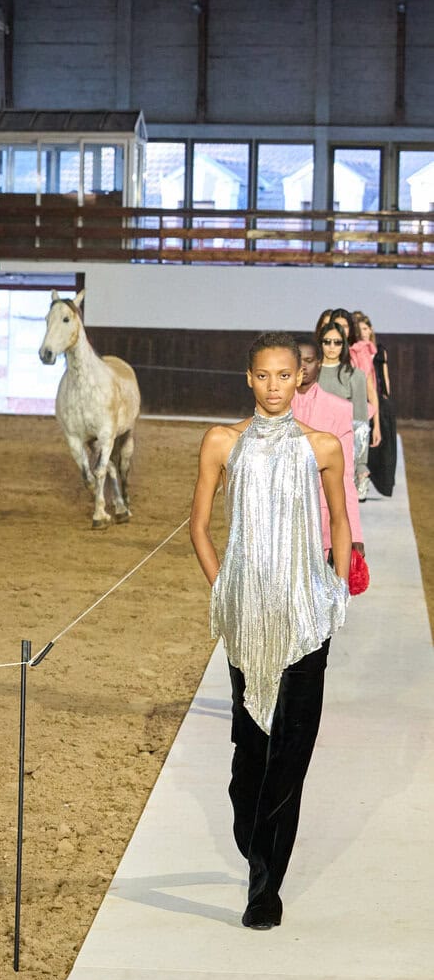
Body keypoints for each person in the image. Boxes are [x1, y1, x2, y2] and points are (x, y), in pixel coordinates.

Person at [189, 331, 351, 931]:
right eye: (264, 376)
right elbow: (200, 526)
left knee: (292, 752)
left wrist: (334, 589)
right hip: (246, 620)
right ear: (249, 378)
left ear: (300, 379)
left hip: (307, 621)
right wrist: (222, 589)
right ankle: (253, 835)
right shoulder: (221, 442)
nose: (275, 386)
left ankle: (266, 887)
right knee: (251, 757)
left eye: (285, 376)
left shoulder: (324, 446)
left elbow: (337, 516)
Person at [289, 333, 364, 565]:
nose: (303, 366)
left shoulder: (339, 409)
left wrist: (356, 533)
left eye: (309, 360)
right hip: (280, 516)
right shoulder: (273, 404)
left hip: (322, 516)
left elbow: (345, 474)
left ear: (319, 363)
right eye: (297, 360)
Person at [312, 313, 370, 504]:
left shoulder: (355, 376)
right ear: (320, 343)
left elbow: (361, 424)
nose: (331, 347)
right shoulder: (308, 375)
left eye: (337, 342)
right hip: (311, 453)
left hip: (342, 456)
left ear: (344, 344)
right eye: (327, 341)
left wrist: (361, 464)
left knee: (340, 514)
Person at [354, 312, 397, 497]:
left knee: (380, 441)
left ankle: (377, 478)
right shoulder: (355, 350)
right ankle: (362, 475)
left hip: (377, 397)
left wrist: (386, 395)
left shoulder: (378, 349)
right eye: (360, 329)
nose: (364, 332)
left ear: (371, 329)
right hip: (361, 399)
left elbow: (383, 376)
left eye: (366, 328)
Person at [345, 310, 382, 500]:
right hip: (342, 410)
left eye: (346, 327)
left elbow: (370, 390)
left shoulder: (360, 352)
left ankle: (360, 479)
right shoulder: (337, 352)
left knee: (357, 453)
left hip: (358, 410)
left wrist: (376, 423)